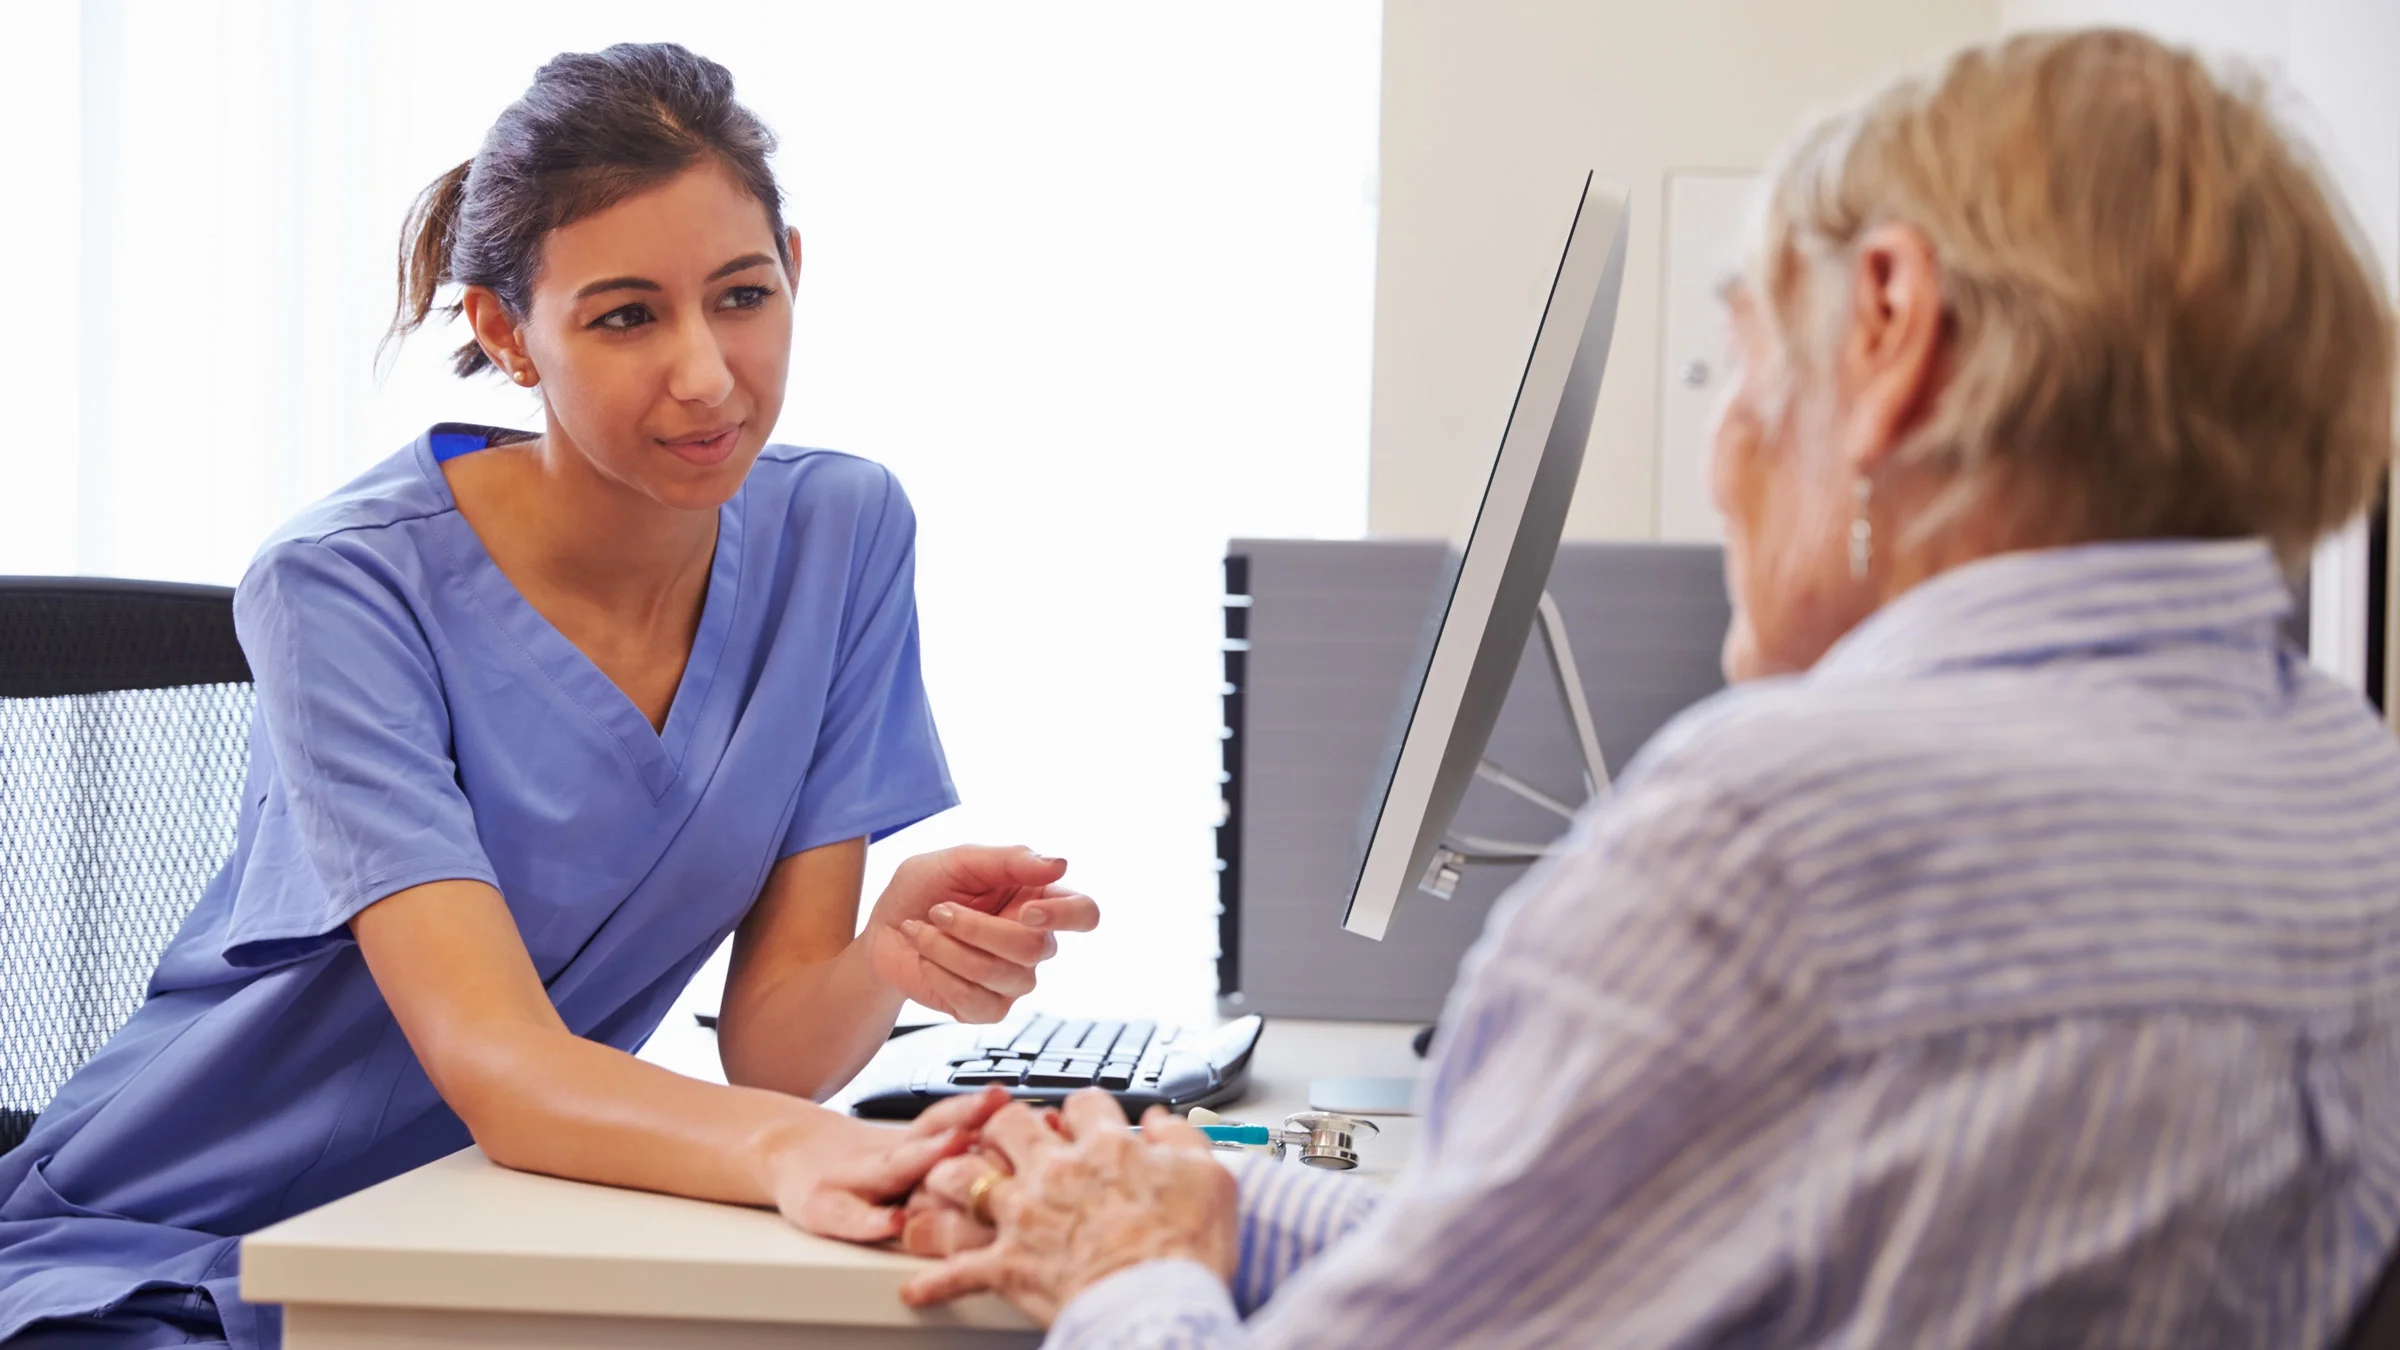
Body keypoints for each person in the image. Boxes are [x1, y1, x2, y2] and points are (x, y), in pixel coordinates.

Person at [896, 28, 2400, 1348]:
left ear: (1893, 326)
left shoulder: (1769, 851)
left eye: (1737, 358)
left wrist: (1121, 1267)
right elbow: (1597, 1255)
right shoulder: (2348, 792)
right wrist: (1214, 1198)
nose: (1725, 446)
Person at [0, 43, 1080, 1350]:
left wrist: (885, 962)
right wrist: (798, 1151)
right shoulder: (339, 586)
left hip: (485, 1216)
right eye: (625, 315)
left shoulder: (841, 532)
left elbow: (776, 1049)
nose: (706, 373)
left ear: (795, 265)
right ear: (507, 330)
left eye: (742, 295)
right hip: (164, 1241)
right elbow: (504, 1065)